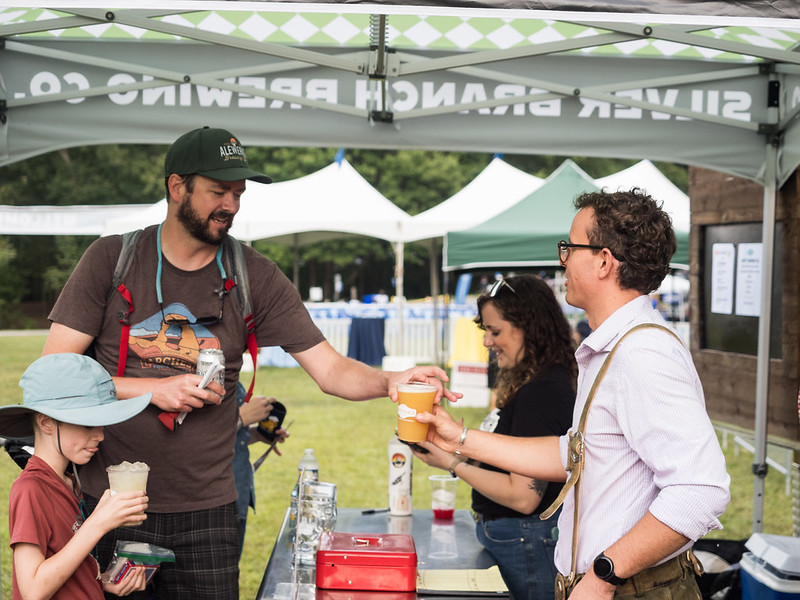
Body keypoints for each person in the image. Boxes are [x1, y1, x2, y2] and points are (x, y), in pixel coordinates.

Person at [42, 125, 459, 600]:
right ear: (177, 187)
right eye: (218, 191)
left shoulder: (252, 274)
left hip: (209, 514)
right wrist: (151, 390)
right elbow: (53, 375)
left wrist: (389, 380)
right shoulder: (111, 259)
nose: (232, 205)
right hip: (111, 507)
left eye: (239, 194)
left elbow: (331, 370)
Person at [417, 189, 730, 600]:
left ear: (603, 261)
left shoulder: (643, 352)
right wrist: (457, 437)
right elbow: (577, 454)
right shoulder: (613, 347)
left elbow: (701, 490)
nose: (561, 259)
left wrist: (604, 576)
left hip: (632, 589)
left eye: (569, 247)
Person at [412, 274, 576, 600]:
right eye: (485, 330)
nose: (487, 342)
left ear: (530, 327)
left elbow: (523, 496)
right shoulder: (537, 382)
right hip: (519, 540)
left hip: (525, 542)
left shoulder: (541, 392)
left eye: (495, 331)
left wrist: (454, 464)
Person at [1, 353, 152, 600]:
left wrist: (99, 581)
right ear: (47, 424)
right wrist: (98, 522)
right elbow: (32, 590)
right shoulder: (31, 489)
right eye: (88, 424)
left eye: (103, 424)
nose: (100, 436)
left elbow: (65, 560)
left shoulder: (69, 480)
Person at [233, 380, 289, 557]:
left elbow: (226, 440)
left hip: (236, 493)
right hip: (213, 505)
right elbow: (194, 439)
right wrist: (241, 417)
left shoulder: (229, 369)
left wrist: (258, 433)